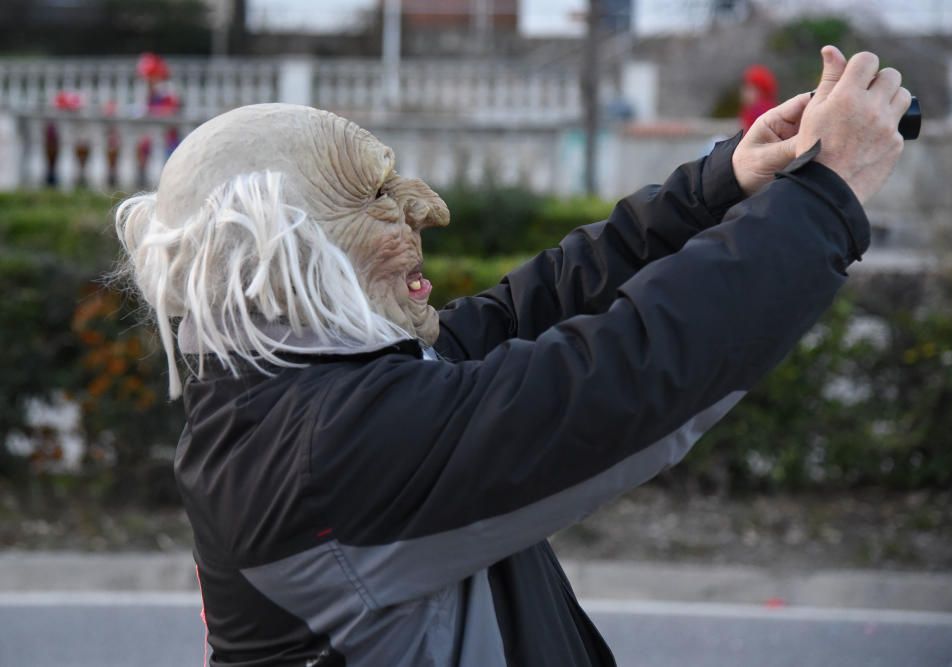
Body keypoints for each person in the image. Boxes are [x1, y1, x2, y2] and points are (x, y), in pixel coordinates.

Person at [115, 45, 909, 666]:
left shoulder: (295, 392)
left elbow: (530, 311)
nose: (427, 207)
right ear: (285, 256)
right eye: (372, 197)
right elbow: (620, 377)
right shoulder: (330, 451)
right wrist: (824, 197)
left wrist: (721, 185)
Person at [740, 63, 778, 132]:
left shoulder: (760, 111)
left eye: (750, 89)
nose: (745, 93)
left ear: (762, 91)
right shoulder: (749, 109)